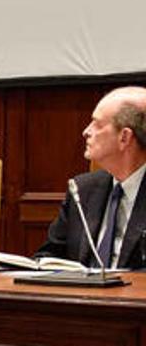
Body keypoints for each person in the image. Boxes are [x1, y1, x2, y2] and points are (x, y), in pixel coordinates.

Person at [37, 86, 146, 269]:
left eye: (97, 124)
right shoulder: (82, 189)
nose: (86, 131)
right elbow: (49, 256)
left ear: (124, 137)